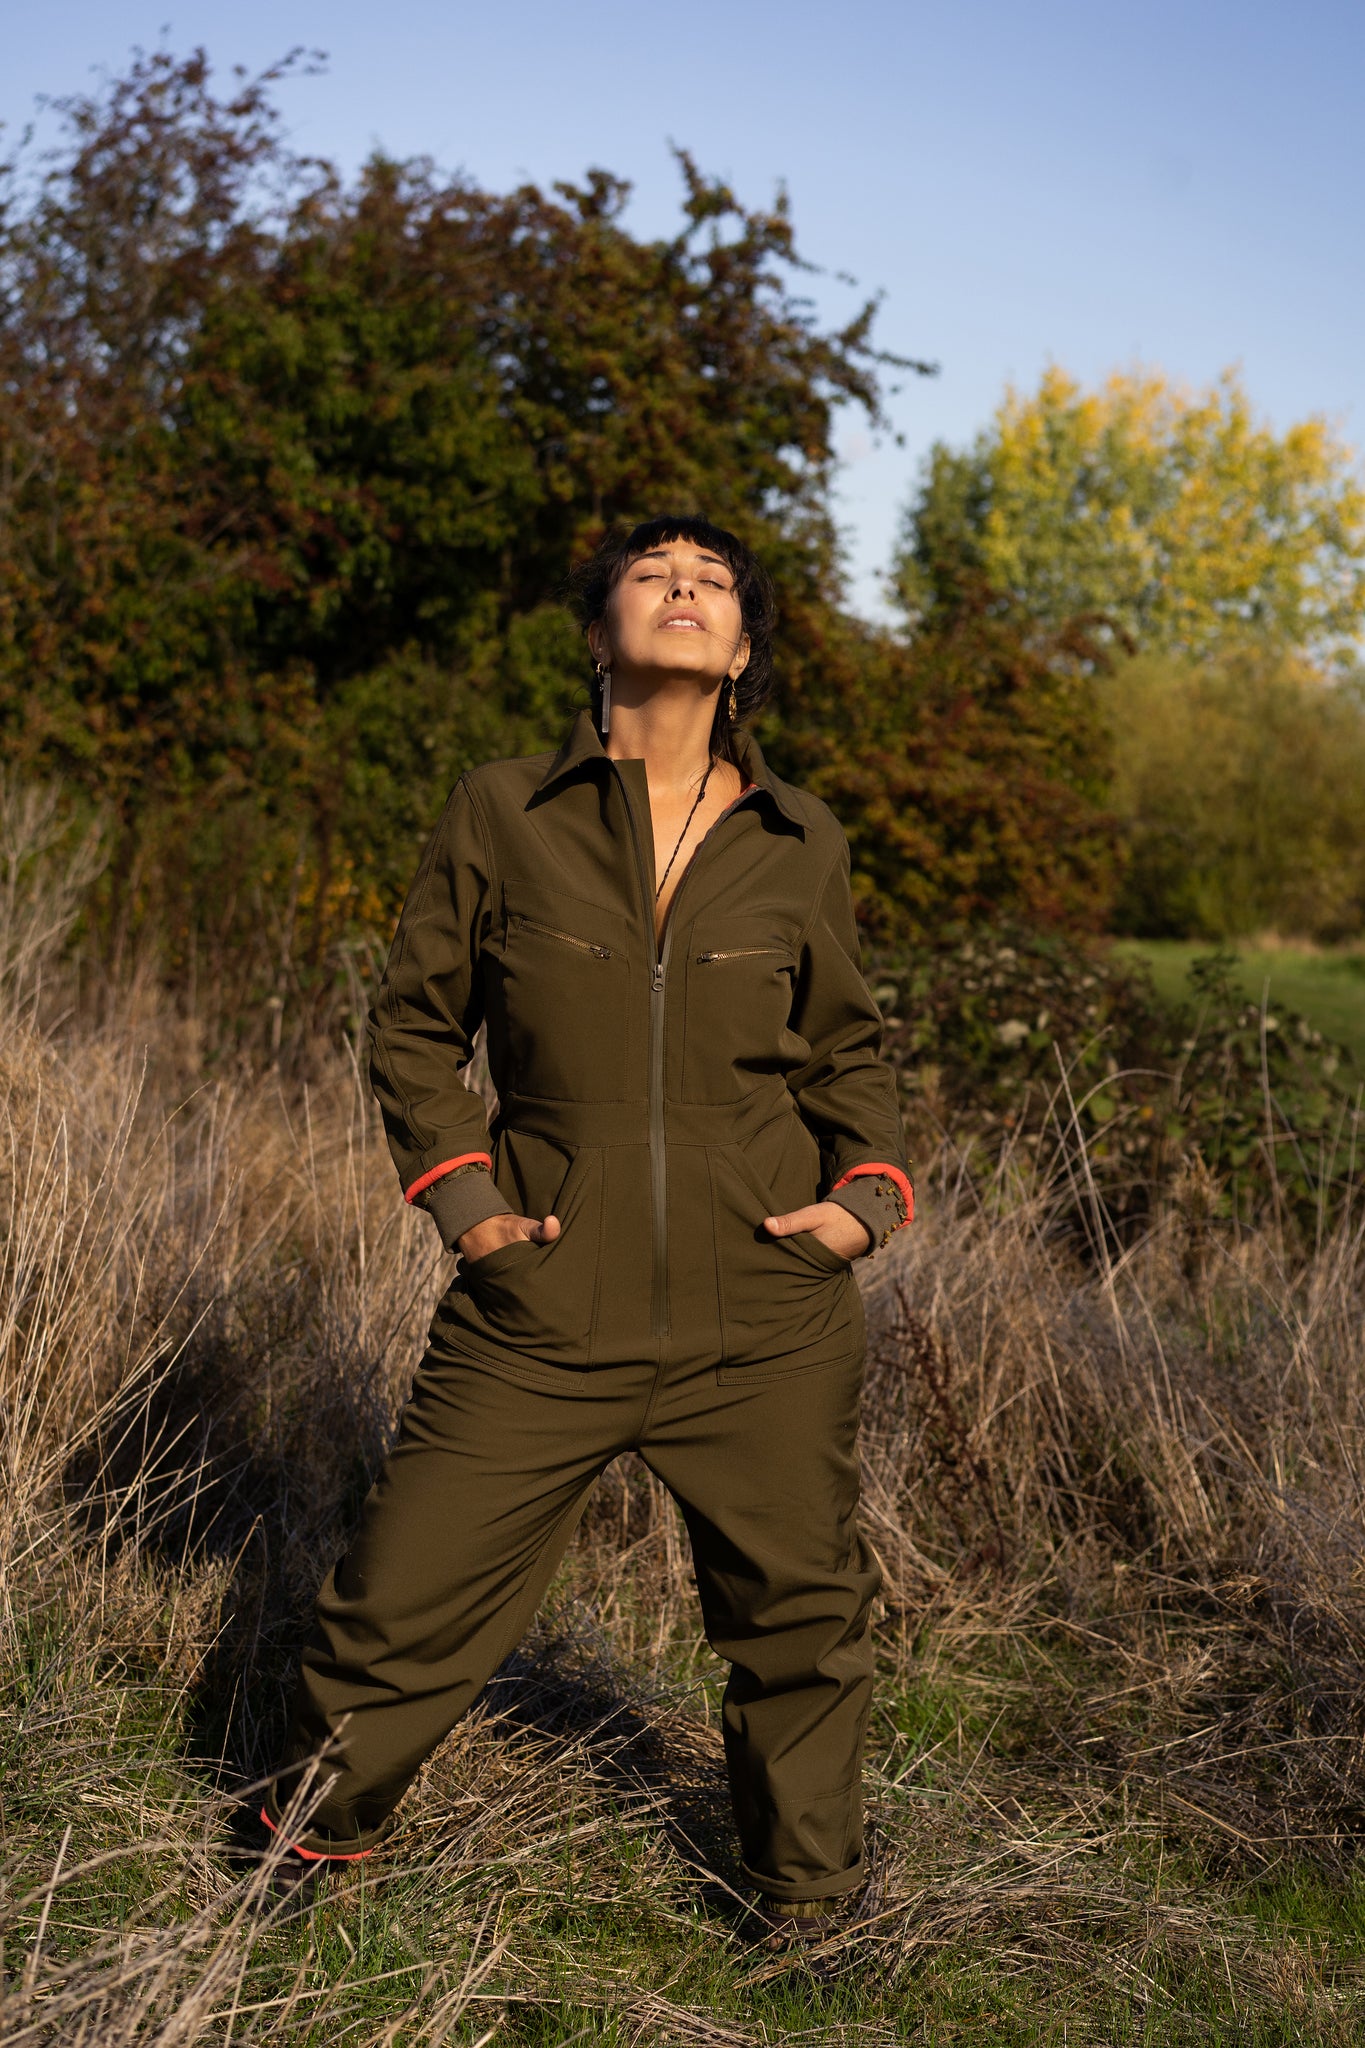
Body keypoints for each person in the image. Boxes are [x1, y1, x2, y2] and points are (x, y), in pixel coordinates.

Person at [262, 516, 913, 1941]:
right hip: (540, 1303)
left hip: (766, 1313)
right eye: (651, 573)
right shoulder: (503, 810)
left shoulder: (799, 838)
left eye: (714, 582)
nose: (684, 588)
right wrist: (471, 1211)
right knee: (397, 1600)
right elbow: (414, 1029)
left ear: (740, 652)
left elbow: (849, 1054)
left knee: (803, 1621)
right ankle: (297, 1853)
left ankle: (807, 1908)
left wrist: (864, 1204)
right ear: (600, 627)